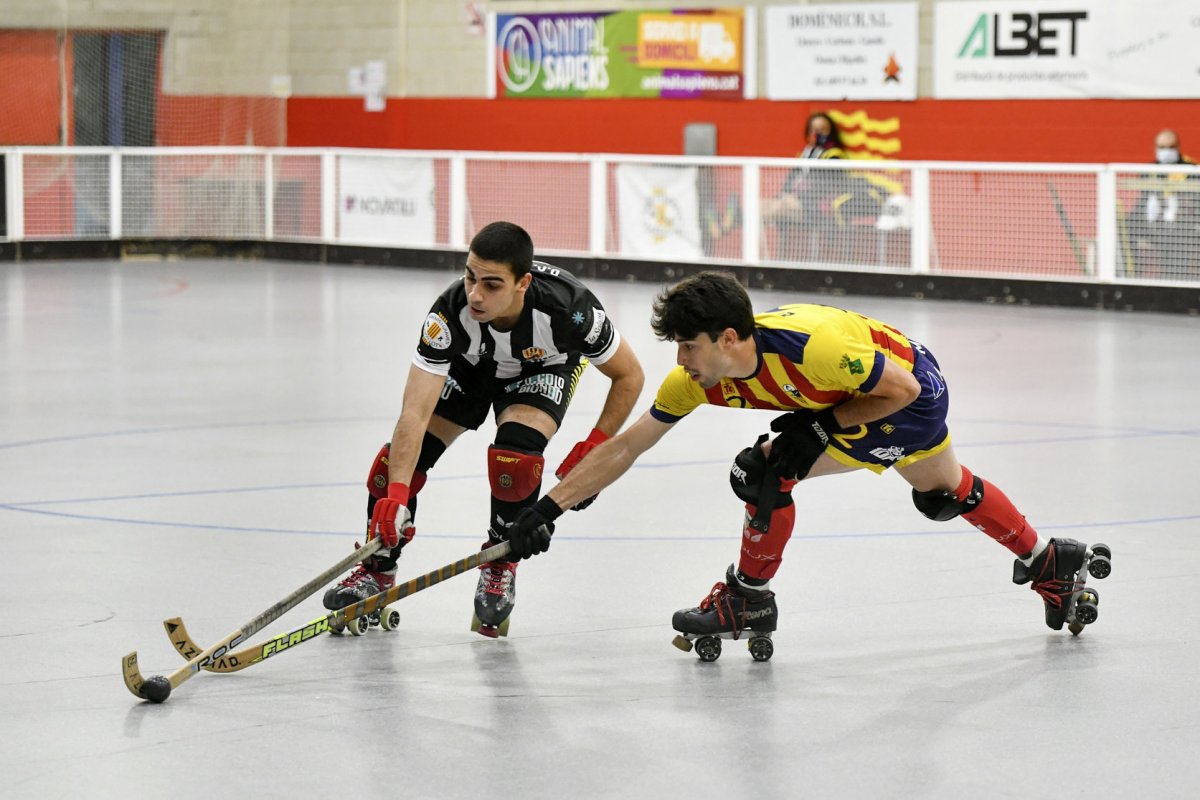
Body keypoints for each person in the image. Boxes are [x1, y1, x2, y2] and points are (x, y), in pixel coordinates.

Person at [505, 271, 1104, 652]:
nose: (682, 358)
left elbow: (904, 392)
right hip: (865, 398)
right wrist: (547, 508)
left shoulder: (811, 350)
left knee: (763, 470)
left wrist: (820, 425)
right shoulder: (696, 380)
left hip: (907, 393)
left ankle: (747, 597)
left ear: (731, 339)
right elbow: (629, 446)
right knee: (942, 488)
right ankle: (1048, 559)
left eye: (690, 345)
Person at [322, 221, 644, 637]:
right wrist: (397, 495)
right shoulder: (448, 313)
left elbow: (630, 375)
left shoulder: (571, 310)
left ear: (523, 283)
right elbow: (414, 414)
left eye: (492, 285)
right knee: (389, 471)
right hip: (472, 370)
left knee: (516, 458)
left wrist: (597, 445)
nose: (475, 293)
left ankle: (499, 560)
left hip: (541, 368)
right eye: (471, 276)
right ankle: (377, 570)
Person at [1128, 128, 1200, 278]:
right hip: (1152, 224)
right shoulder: (1149, 170)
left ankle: (1175, 282)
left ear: (1178, 148)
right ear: (1155, 149)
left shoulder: (1191, 169)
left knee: (1177, 237)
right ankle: (1131, 276)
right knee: (1125, 228)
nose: (1166, 151)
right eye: (1162, 148)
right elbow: (1142, 201)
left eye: (1171, 147)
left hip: (1181, 225)